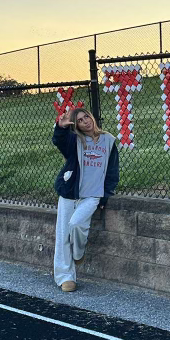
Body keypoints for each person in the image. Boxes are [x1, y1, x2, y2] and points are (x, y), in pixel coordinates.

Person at [52, 107, 119, 292]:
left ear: (92, 117)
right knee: (63, 235)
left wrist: (106, 196)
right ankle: (65, 277)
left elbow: (112, 172)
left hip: (92, 195)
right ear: (77, 126)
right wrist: (61, 127)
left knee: (76, 224)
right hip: (70, 192)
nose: (85, 121)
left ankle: (79, 252)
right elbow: (59, 141)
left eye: (86, 117)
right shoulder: (75, 141)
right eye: (80, 120)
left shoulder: (109, 140)